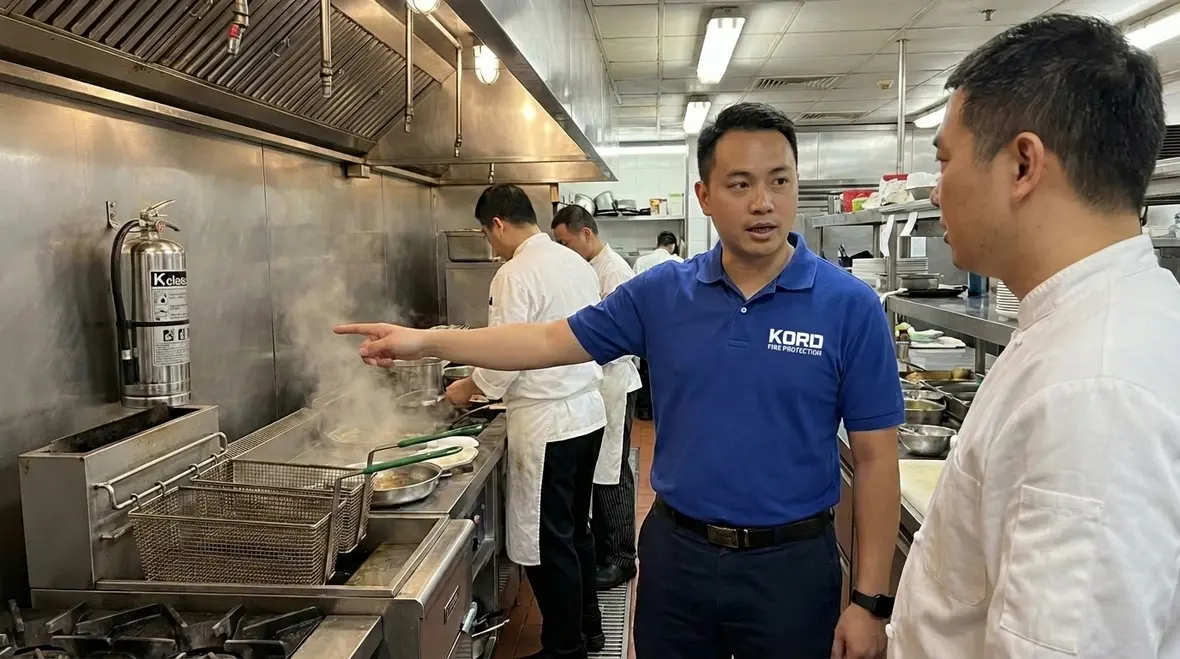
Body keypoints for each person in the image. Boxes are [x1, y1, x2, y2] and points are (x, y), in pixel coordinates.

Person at [335, 103, 903, 659]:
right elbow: (545, 341)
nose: (763, 202)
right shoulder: (664, 294)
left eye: (780, 180)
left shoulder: (849, 307)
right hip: (680, 558)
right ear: (704, 196)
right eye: (740, 184)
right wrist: (425, 341)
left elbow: (877, 459)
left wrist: (870, 603)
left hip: (791, 566)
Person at [889, 14, 1180, 659]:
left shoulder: (1094, 391)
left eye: (945, 160)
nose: (935, 192)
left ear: (1023, 164)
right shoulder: (1091, 323)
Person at [371, 184, 607, 659]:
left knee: (547, 543)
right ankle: (589, 630)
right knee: (575, 531)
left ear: (496, 224)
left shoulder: (515, 272)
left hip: (548, 424)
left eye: (486, 234)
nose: (490, 245)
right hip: (586, 414)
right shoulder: (574, 262)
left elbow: (502, 358)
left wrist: (465, 388)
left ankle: (566, 650)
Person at [550, 204, 643, 591]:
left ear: (586, 234)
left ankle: (622, 559)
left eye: (565, 242)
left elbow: (619, 339)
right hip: (599, 384)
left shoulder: (613, 271)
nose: (563, 250)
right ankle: (608, 551)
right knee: (603, 471)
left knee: (612, 472)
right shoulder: (589, 268)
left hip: (614, 384)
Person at [631, 231, 682, 420]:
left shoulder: (641, 261)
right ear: (673, 246)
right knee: (669, 368)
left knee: (646, 367)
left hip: (646, 322)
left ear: (658, 243)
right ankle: (668, 410)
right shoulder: (679, 262)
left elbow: (633, 291)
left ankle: (645, 410)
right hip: (672, 325)